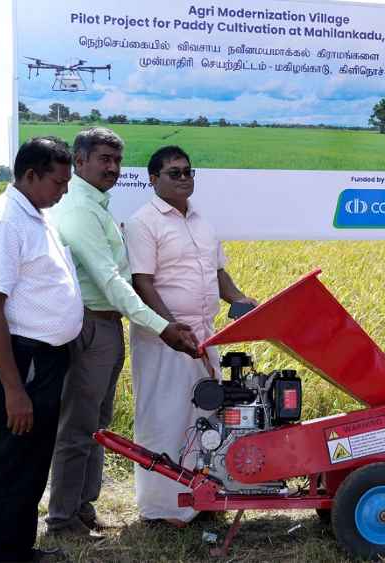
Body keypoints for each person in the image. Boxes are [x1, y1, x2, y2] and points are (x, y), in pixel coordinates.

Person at [46, 128, 198, 538]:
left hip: (107, 326)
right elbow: (112, 281)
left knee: (98, 422)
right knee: (79, 427)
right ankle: (61, 519)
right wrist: (162, 326)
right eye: (103, 159)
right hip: (91, 325)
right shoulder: (79, 209)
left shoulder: (96, 206)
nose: (112, 167)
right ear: (79, 162)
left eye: (116, 160)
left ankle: (82, 509)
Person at [124, 146, 256, 526]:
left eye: (188, 172)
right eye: (174, 173)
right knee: (165, 417)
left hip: (203, 335)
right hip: (165, 336)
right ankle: (163, 509)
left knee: (205, 417)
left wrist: (239, 298)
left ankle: (202, 498)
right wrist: (169, 327)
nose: (184, 179)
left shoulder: (201, 221)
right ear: (153, 179)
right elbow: (142, 282)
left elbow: (218, 274)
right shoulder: (143, 223)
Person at [0, 137, 83, 562]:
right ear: (31, 175)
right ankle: (0, 556)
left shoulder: (36, 215)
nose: (64, 190)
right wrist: (14, 390)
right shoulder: (3, 223)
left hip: (45, 359)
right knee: (14, 458)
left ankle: (18, 548)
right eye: (58, 181)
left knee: (33, 459)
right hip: (22, 359)